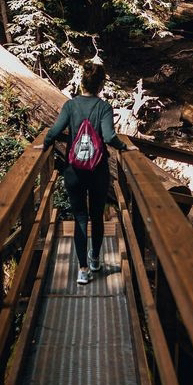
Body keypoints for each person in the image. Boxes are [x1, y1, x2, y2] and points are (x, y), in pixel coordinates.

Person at [43, 60, 127, 285]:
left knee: (80, 217)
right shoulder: (104, 108)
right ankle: (95, 260)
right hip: (98, 171)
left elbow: (54, 131)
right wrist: (124, 146)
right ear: (100, 85)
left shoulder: (70, 106)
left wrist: (44, 143)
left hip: (74, 171)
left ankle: (82, 269)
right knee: (97, 216)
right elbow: (109, 137)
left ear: (82, 83)